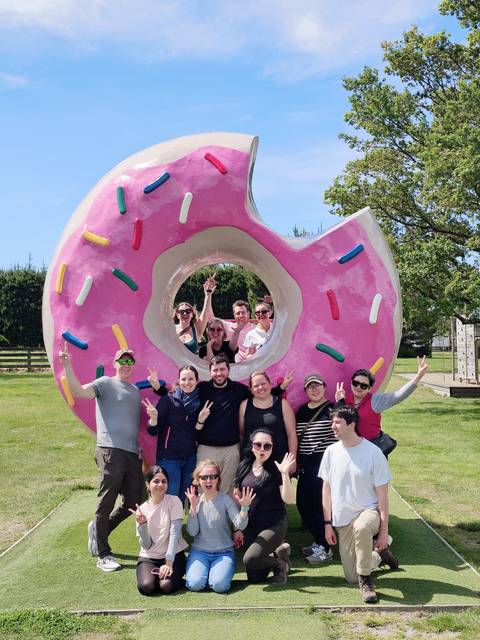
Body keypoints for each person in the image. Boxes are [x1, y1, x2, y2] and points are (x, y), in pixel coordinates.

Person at [149, 354, 292, 496]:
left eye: (222, 369)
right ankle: (202, 518)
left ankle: (225, 518)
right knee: (202, 487)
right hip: (206, 448)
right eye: (215, 370)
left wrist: (280, 388)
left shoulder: (238, 390)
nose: (219, 373)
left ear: (228, 370)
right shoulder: (202, 388)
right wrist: (158, 388)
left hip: (231, 449)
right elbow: (179, 393)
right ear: (210, 372)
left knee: (227, 488)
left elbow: (259, 392)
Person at [59, 343, 143, 572]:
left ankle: (98, 529)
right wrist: (67, 365)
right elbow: (79, 391)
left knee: (134, 502)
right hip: (109, 450)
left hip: (131, 453)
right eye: (122, 361)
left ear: (133, 365)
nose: (126, 365)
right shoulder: (104, 383)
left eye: (129, 361)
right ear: (115, 364)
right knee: (107, 500)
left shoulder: (135, 391)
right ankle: (103, 554)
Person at [320, 405, 397, 603]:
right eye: (332, 422)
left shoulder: (373, 453)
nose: (333, 426)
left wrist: (382, 529)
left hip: (368, 512)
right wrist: (328, 523)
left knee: (361, 527)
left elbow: (383, 496)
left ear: (352, 424)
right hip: (342, 518)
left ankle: (366, 582)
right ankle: (380, 554)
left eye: (337, 422)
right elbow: (326, 491)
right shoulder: (330, 452)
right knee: (350, 577)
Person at [142, 365, 212, 501]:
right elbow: (153, 431)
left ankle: (176, 522)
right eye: (184, 379)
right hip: (169, 458)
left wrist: (200, 421)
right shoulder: (168, 399)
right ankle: (166, 523)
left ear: (197, 381)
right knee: (170, 497)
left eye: (191, 379)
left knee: (182, 498)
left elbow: (197, 434)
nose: (187, 382)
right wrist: (154, 419)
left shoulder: (201, 402)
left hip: (190, 458)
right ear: (178, 381)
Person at [234, 430, 296, 584]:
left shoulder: (276, 468)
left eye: (267, 446)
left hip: (274, 524)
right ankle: (279, 554)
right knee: (255, 578)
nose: (262, 449)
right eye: (258, 444)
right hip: (251, 525)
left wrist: (284, 474)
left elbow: (288, 499)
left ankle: (280, 564)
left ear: (272, 448)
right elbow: (237, 496)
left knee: (250, 559)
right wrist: (238, 525)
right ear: (252, 446)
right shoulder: (243, 466)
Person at [184, 460, 255, 593]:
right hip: (200, 551)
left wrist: (244, 508)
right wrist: (193, 510)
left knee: (219, 586)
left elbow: (240, 524)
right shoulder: (195, 501)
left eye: (213, 476)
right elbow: (192, 532)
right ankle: (206, 573)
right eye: (204, 477)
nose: (208, 480)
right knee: (194, 585)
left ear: (218, 479)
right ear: (198, 480)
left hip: (224, 552)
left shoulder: (225, 499)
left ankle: (216, 575)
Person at [335, 356, 429, 443]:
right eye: (356, 383)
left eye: (364, 386)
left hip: (372, 449)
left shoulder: (375, 400)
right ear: (351, 383)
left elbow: (399, 395)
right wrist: (339, 402)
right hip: (350, 449)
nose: (358, 387)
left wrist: (419, 376)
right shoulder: (344, 400)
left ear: (369, 388)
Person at [295, 374, 336, 564]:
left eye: (317, 386)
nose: (314, 389)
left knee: (320, 505)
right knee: (303, 504)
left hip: (323, 464)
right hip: (306, 465)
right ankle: (320, 540)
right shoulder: (301, 411)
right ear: (305, 390)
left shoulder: (333, 409)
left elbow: (346, 427)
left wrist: (342, 400)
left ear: (324, 387)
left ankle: (326, 547)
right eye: (310, 387)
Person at [131, 465, 188, 596]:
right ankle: (158, 576)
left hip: (173, 556)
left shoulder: (174, 501)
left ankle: (169, 576)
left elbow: (174, 534)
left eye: (164, 481)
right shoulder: (141, 510)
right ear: (147, 484)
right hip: (149, 557)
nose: (160, 484)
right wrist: (142, 525)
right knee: (146, 587)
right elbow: (146, 545)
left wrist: (168, 563)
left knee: (166, 586)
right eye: (156, 481)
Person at [239, 371, 297, 465]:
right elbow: (242, 434)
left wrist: (292, 459)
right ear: (251, 389)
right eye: (256, 385)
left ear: (270, 384)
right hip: (252, 461)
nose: (260, 387)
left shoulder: (283, 404)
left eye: (263, 383)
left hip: (278, 461)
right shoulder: (244, 405)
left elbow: (291, 434)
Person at [173, 275, 216, 354]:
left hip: (189, 366)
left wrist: (208, 293)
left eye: (188, 311)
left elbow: (205, 312)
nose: (185, 313)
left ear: (192, 314)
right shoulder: (171, 328)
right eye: (181, 312)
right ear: (177, 315)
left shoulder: (196, 329)